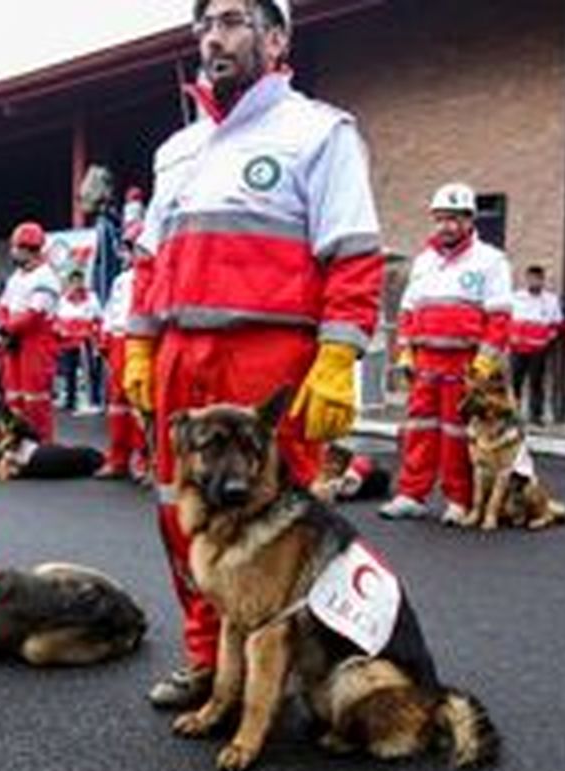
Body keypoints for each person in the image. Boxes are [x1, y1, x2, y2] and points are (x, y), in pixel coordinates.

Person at [125, 0, 384, 708]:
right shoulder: (176, 150)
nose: (215, 35)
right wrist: (141, 345)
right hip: (183, 355)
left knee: (276, 531)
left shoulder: (318, 131)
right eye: (205, 23)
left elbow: (355, 257)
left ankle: (291, 674)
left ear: (275, 39)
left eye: (234, 20)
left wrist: (337, 359)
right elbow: (150, 262)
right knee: (182, 515)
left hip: (269, 360)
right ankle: (210, 662)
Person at [379, 182, 512, 523]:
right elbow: (408, 312)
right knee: (418, 429)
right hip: (425, 362)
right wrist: (405, 353)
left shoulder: (490, 261)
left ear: (470, 220)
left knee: (457, 434)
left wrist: (484, 363)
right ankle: (412, 493)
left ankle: (459, 499)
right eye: (440, 219)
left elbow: (499, 318)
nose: (446, 226)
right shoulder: (424, 262)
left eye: (454, 219)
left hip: (465, 364)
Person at [0, 221, 61, 443]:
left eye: (16, 247)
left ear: (28, 248)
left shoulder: (45, 277)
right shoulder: (17, 277)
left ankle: (42, 447)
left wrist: (6, 328)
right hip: (15, 341)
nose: (12, 252)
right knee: (13, 397)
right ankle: (17, 446)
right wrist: (3, 326)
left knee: (36, 399)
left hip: (36, 343)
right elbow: (3, 306)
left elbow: (35, 315)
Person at [98, 220, 147, 480]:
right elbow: (110, 311)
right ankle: (117, 458)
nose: (128, 253)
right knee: (116, 404)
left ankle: (141, 459)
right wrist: (104, 339)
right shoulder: (121, 280)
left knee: (139, 402)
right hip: (118, 341)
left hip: (139, 339)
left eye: (133, 247)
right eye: (126, 247)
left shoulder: (154, 274)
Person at [508, 265, 562, 426]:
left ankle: (536, 415)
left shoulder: (551, 300)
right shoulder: (515, 297)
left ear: (542, 280)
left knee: (536, 383)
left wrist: (546, 339)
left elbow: (556, 324)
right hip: (517, 349)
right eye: (531, 278)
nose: (534, 282)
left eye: (537, 279)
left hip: (539, 350)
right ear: (526, 279)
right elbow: (506, 320)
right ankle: (512, 415)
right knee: (515, 382)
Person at [55, 270, 103, 412]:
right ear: (69, 283)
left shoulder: (91, 298)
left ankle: (91, 401)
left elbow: (98, 318)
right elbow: (56, 320)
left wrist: (93, 334)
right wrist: (61, 330)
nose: (76, 284)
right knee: (68, 372)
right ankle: (70, 400)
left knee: (89, 372)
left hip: (85, 341)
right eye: (74, 281)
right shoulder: (62, 300)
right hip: (67, 342)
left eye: (79, 281)